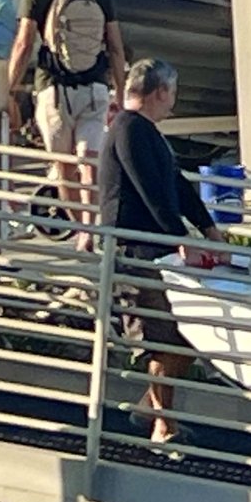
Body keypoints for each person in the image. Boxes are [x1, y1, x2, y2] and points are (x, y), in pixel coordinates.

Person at [99, 58, 225, 445]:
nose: (174, 101)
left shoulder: (143, 131)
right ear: (160, 92)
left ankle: (151, 410)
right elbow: (152, 187)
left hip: (152, 251)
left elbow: (174, 184)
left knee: (180, 336)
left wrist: (206, 225)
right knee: (165, 336)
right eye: (172, 92)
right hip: (136, 251)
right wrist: (181, 236)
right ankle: (162, 424)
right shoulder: (130, 130)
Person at [7, 0, 126, 219]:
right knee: (91, 162)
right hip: (95, 86)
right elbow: (116, 48)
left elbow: (23, 45)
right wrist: (120, 93)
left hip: (54, 89)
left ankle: (81, 233)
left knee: (63, 165)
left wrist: (8, 87)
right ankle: (95, 228)